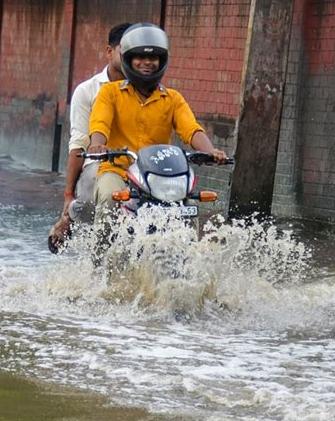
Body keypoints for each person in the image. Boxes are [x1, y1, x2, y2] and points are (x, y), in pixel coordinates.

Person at [87, 22, 228, 261]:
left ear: (161, 61)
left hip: (158, 178)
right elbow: (99, 124)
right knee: (110, 201)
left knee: (185, 208)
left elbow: (191, 130)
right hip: (118, 170)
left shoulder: (173, 98)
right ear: (129, 59)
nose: (146, 62)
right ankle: (100, 266)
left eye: (152, 58)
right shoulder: (109, 93)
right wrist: (97, 144)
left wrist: (210, 150)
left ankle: (188, 266)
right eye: (139, 57)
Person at [48, 22, 132, 253]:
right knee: (97, 188)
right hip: (99, 163)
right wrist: (67, 196)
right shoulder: (88, 91)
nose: (132, 59)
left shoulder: (149, 90)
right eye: (126, 52)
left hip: (136, 164)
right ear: (109, 52)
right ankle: (73, 218)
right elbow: (79, 143)